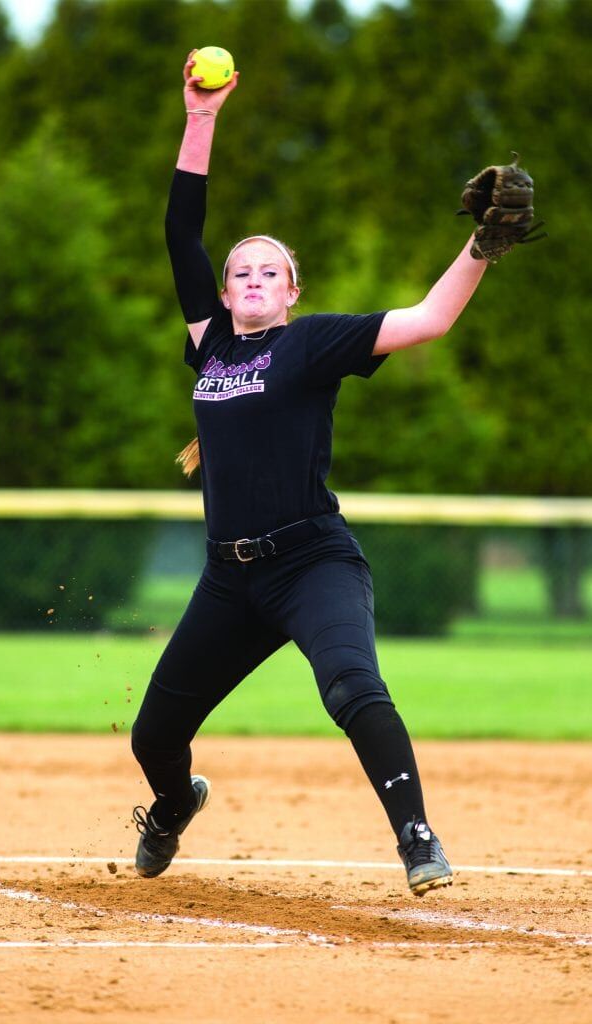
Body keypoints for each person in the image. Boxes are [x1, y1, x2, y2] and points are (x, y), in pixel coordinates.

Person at [130, 51, 489, 897]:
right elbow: (180, 233)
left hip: (310, 561)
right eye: (239, 272)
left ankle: (417, 838)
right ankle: (175, 805)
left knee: (352, 687)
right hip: (229, 577)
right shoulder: (210, 345)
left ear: (291, 292)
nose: (251, 278)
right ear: (222, 296)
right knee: (154, 736)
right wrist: (200, 115)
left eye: (269, 271)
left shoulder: (312, 341)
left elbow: (430, 319)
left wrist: (481, 245)